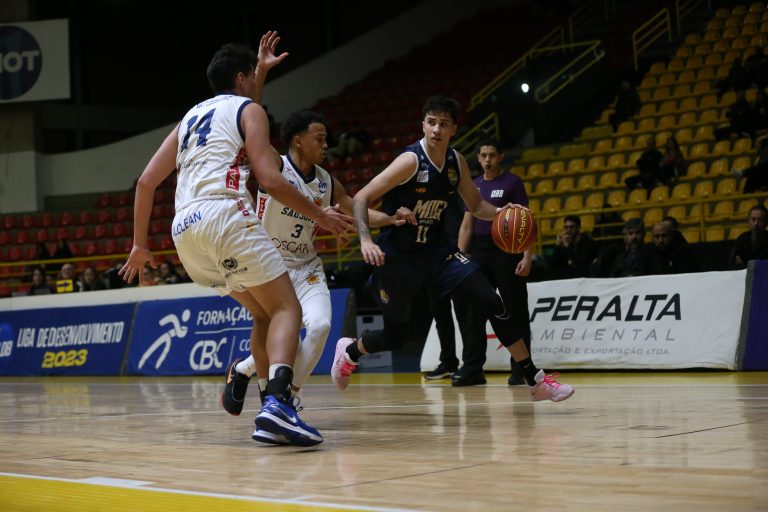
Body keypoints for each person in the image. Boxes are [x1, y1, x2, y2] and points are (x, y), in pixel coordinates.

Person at [118, 33, 354, 447]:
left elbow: (145, 183)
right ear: (242, 78)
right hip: (224, 215)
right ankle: (280, 404)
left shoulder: (190, 119)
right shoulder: (249, 110)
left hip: (184, 230)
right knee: (287, 308)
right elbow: (270, 178)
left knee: (263, 314)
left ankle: (268, 407)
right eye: (252, 77)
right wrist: (319, 214)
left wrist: (139, 245)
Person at [331, 95, 574, 402]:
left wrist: (501, 212)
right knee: (395, 336)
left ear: (453, 129)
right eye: (431, 122)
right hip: (399, 258)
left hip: (439, 253)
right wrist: (366, 240)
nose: (436, 129)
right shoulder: (410, 161)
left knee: (492, 300)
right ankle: (351, 351)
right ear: (423, 125)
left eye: (443, 124)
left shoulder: (455, 162)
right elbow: (361, 198)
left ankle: (534, 380)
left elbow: (477, 206)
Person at [222, 109, 411, 444]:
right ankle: (262, 385)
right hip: (270, 266)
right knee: (286, 339)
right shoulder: (275, 165)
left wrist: (390, 218)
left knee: (321, 326)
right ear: (298, 140)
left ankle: (280, 395)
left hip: (307, 265)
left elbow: (355, 209)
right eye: (319, 138)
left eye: (326, 139)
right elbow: (253, 142)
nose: (326, 144)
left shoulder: (327, 181)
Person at [450, 139, 535, 387]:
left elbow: (525, 221)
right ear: (478, 158)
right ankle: (473, 369)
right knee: (474, 312)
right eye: (484, 155)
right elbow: (467, 225)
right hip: (479, 251)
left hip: (508, 250)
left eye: (492, 155)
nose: (488, 160)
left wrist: (527, 256)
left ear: (501, 157)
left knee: (515, 310)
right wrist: (459, 257)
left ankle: (521, 369)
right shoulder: (474, 185)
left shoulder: (512, 182)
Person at [593, 218, 660, 277]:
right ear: (626, 236)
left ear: (644, 234)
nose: (634, 237)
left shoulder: (652, 253)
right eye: (631, 233)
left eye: (638, 233)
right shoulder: (621, 257)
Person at [548, 215, 599, 279]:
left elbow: (579, 263)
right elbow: (551, 265)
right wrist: (558, 245)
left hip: (587, 276)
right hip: (572, 277)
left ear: (578, 227)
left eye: (572, 227)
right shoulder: (567, 241)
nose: (568, 230)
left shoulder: (588, 242)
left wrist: (567, 246)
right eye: (566, 227)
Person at [729, 205, 768, 269]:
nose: (756, 223)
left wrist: (745, 264)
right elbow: (732, 261)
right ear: (748, 221)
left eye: (760, 220)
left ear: (766, 222)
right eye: (753, 219)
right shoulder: (742, 238)